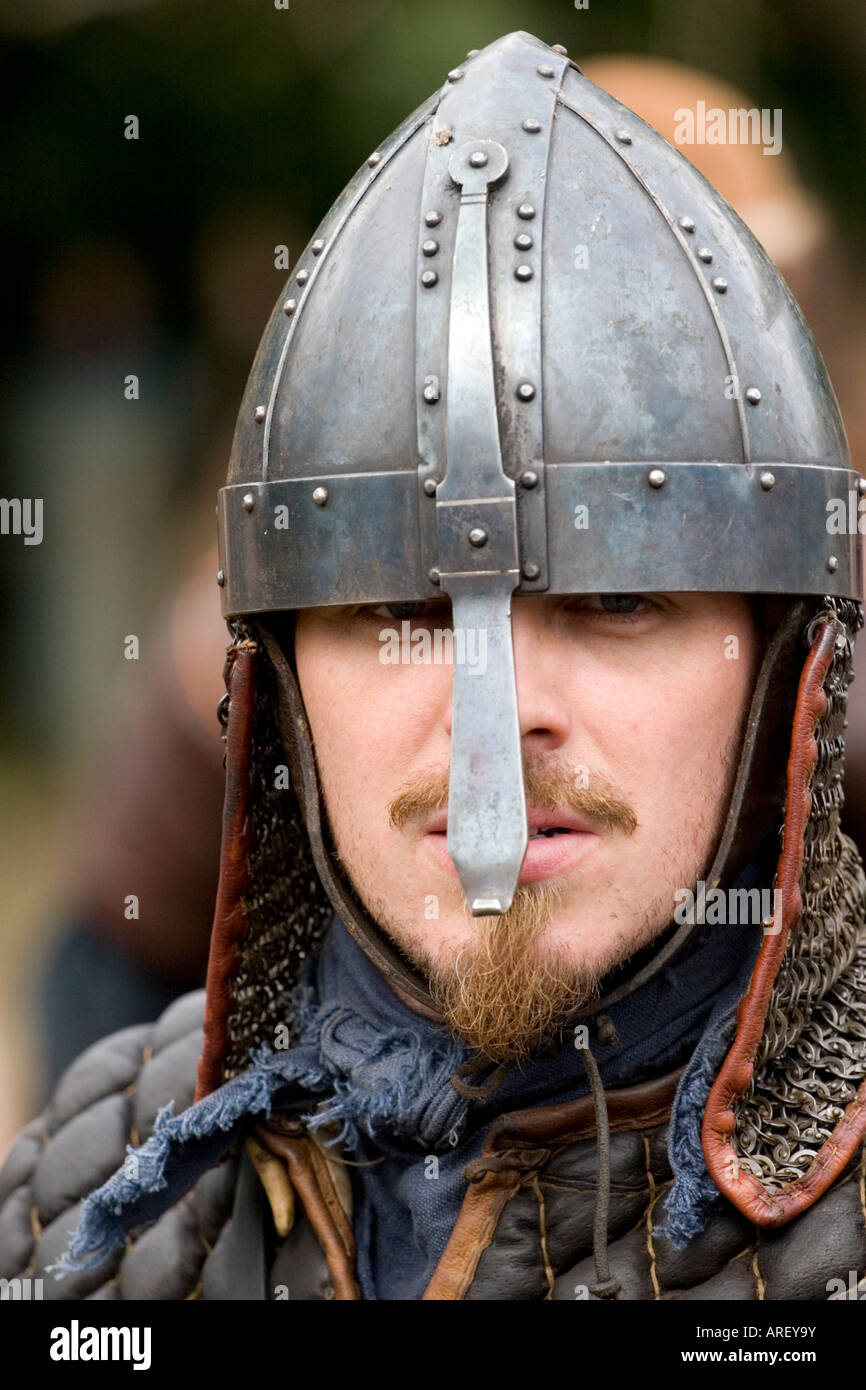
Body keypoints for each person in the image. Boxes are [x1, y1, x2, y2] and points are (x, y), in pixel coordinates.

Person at [1, 29, 864, 1302]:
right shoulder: (85, 1189)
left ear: (787, 668)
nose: (494, 717)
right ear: (282, 685)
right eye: (392, 610)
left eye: (620, 598)